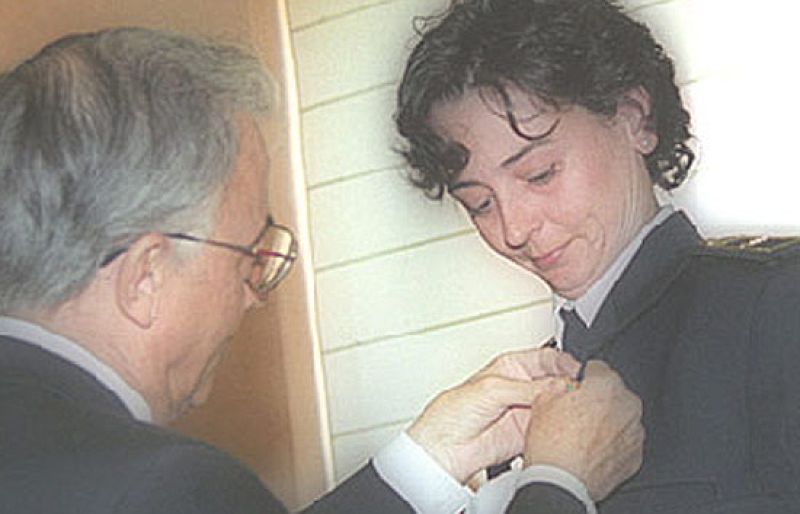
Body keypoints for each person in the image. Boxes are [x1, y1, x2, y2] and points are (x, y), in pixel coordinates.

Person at [0, 27, 644, 514]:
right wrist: (557, 486)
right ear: (145, 276)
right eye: (250, 255)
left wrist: (425, 462)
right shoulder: (168, 488)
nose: (254, 296)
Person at [394, 0, 800, 512]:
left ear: (634, 118)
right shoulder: (521, 402)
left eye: (540, 173)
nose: (514, 229)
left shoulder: (776, 305)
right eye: (480, 203)